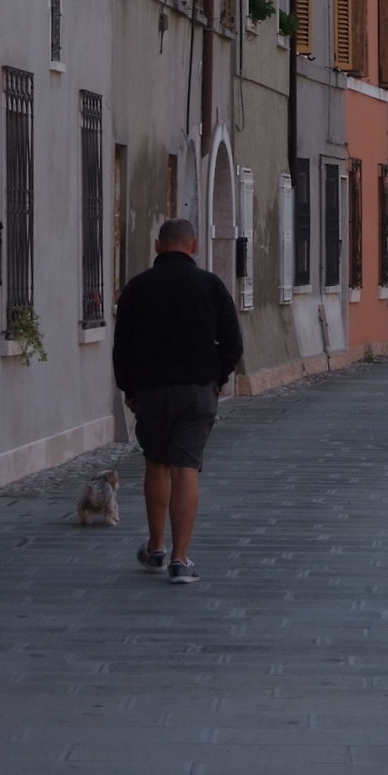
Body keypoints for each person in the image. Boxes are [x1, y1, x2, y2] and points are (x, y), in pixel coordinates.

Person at [112, 217, 243, 584]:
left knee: (156, 463)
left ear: (158, 245)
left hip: (152, 391)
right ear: (194, 246)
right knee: (186, 467)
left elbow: (122, 348)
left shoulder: (138, 288)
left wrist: (130, 390)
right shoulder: (211, 286)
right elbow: (233, 343)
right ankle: (181, 560)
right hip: (198, 391)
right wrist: (216, 379)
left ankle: (156, 548)